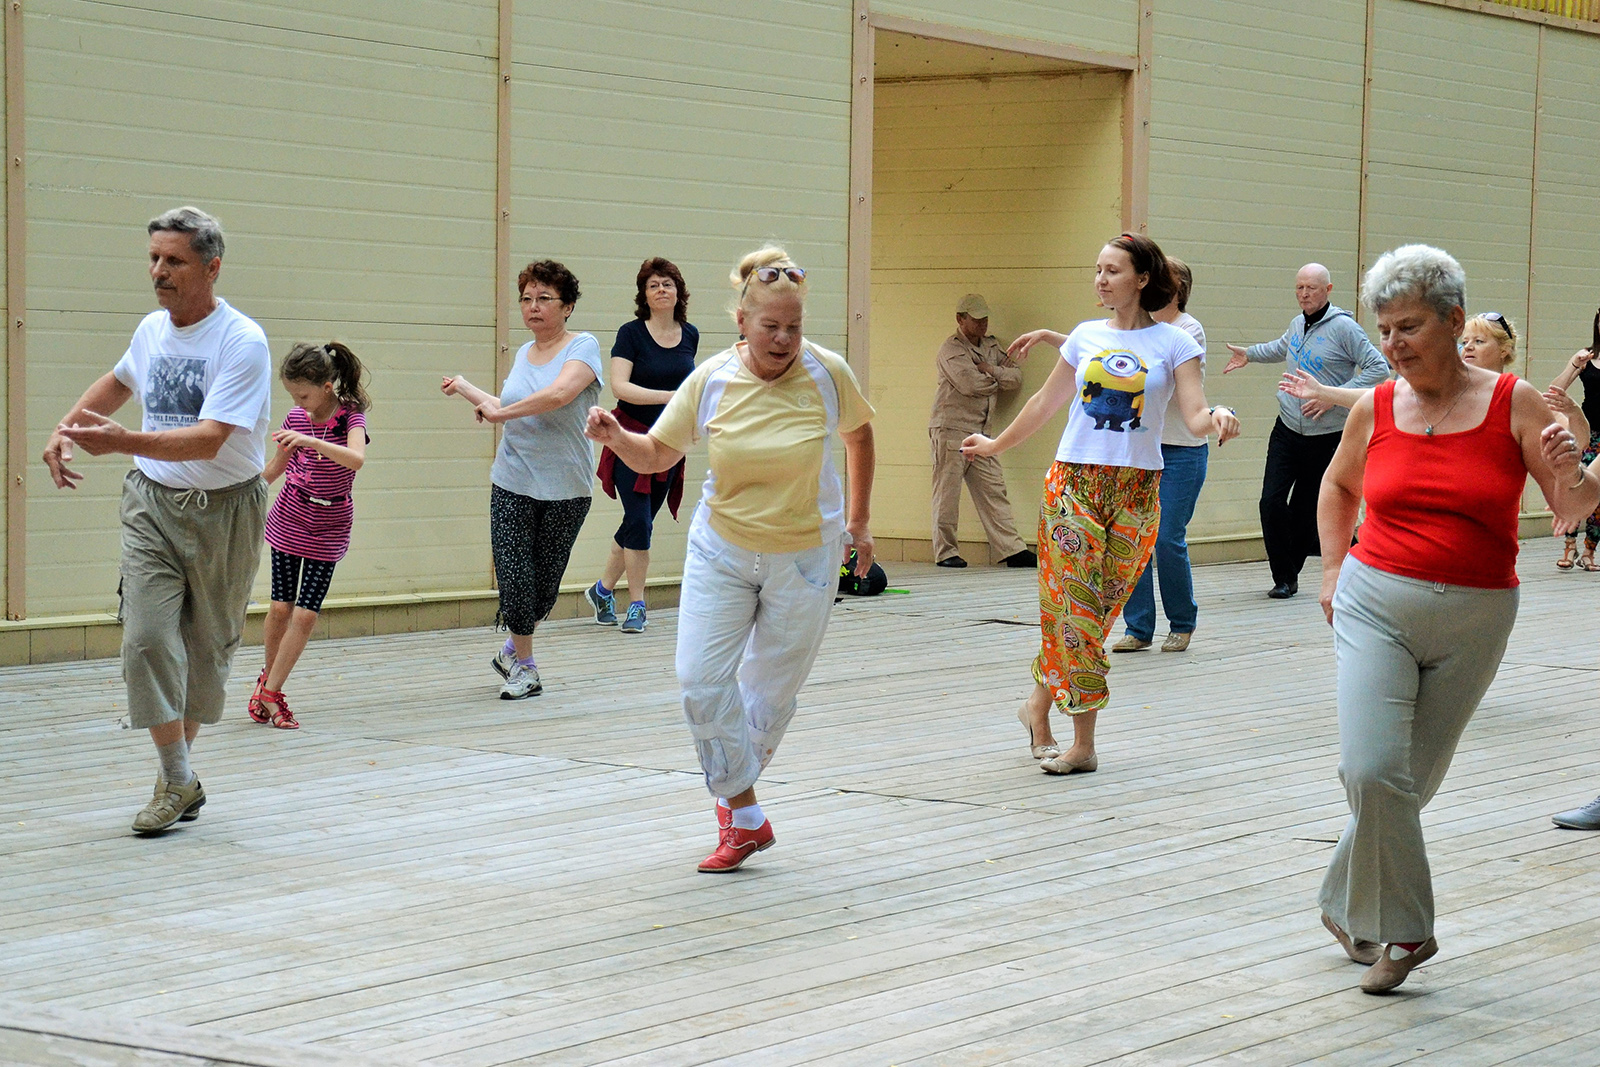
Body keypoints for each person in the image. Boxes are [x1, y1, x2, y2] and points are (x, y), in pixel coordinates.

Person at [1313, 245, 1597, 993]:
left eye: (1409, 326)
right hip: (1376, 600)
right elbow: (1338, 487)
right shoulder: (1376, 405)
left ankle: (1345, 902)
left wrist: (1583, 462)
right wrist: (1335, 567)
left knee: (1410, 781)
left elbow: (1570, 506)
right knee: (1372, 769)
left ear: (1454, 320)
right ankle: (1407, 932)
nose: (1393, 344)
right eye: (1384, 329)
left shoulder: (1516, 401)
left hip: (1476, 614)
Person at [584, 246, 876, 872]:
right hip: (722, 549)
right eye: (770, 325)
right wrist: (617, 437)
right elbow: (658, 453)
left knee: (768, 698)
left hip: (807, 555)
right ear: (741, 323)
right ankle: (743, 808)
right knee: (700, 680)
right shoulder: (712, 378)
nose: (784, 338)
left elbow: (859, 435)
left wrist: (858, 521)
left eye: (793, 326)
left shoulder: (828, 372)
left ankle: (737, 819)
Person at [960, 234, 1240, 774]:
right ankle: (1082, 744)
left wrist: (1220, 416)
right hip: (1074, 485)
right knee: (1077, 612)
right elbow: (1045, 402)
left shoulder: (1177, 343)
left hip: (1137, 490)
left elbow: (1195, 414)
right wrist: (995, 444)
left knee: (1097, 611)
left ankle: (1037, 707)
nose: (1101, 280)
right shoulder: (1085, 337)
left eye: (1112, 271)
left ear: (1142, 279)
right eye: (1097, 270)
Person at [42, 206, 271, 835]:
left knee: (204, 652)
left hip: (227, 510)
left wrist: (117, 442)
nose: (158, 271)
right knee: (145, 639)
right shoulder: (151, 330)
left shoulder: (240, 341)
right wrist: (67, 428)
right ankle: (176, 778)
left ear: (211, 266)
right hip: (152, 504)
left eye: (174, 260)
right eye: (153, 258)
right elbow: (118, 382)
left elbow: (209, 440)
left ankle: (178, 777)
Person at [442, 260, 602, 699]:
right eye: (526, 299)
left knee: (543, 587)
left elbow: (558, 395)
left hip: (566, 485)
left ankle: (513, 648)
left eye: (544, 298)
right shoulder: (521, 354)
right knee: (515, 575)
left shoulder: (582, 347)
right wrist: (467, 389)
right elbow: (507, 404)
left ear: (567, 306)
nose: (533, 307)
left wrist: (501, 413)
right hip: (512, 478)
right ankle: (526, 668)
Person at [1224, 264, 1388, 599]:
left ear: (1328, 290)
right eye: (1299, 288)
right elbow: (1282, 346)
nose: (1304, 294)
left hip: (1325, 436)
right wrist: (1249, 355)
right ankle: (1283, 570)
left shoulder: (1344, 328)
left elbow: (1378, 368)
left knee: (1304, 510)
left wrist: (1333, 397)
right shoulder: (1298, 323)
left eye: (1311, 288)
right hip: (1286, 428)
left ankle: (1287, 578)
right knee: (1270, 501)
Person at [249, 342, 371, 730]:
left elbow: (356, 459)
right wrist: (241, 492)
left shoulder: (351, 417)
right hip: (290, 516)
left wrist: (314, 442)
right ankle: (271, 690)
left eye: (303, 394)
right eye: (292, 396)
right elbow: (274, 469)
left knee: (305, 613)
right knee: (281, 607)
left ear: (327, 385)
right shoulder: (295, 419)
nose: (298, 402)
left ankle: (268, 691)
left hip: (330, 524)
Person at [585, 258, 698, 633]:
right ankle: (637, 605)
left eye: (667, 284)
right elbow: (621, 387)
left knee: (641, 523)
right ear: (644, 296)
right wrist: (671, 397)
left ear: (678, 292)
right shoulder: (631, 333)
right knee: (638, 522)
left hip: (668, 444)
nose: (661, 290)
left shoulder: (690, 334)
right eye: (653, 286)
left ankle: (602, 590)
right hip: (628, 438)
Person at [1115, 258, 1209, 653]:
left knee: (1166, 536)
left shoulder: (1187, 331)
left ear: (1177, 288)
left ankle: (1182, 622)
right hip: (1141, 449)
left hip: (1183, 450)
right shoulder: (1137, 329)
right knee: (1131, 535)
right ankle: (1138, 628)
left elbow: (1166, 382)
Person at [928, 294, 1035, 569]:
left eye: (984, 318)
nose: (982, 324)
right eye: (976, 320)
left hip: (982, 432)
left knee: (993, 489)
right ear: (960, 319)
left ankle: (1012, 550)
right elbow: (969, 385)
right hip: (951, 428)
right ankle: (946, 552)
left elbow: (1015, 378)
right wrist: (998, 377)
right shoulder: (951, 350)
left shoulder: (991, 346)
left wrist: (989, 370)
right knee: (947, 493)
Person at [1544, 311, 1600, 571]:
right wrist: (1574, 366)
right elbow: (1554, 391)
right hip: (1585, 430)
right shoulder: (1586, 356)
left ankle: (1590, 550)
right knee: (1575, 483)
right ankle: (1569, 547)